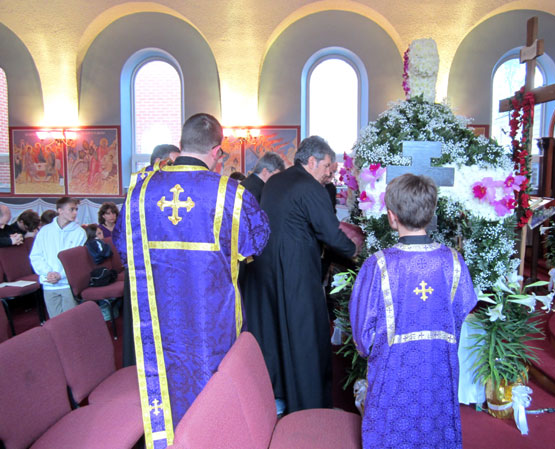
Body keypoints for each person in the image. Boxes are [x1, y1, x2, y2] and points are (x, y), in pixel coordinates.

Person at [113, 112, 270, 448]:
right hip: (210, 319)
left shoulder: (139, 193)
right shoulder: (230, 193)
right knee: (211, 380)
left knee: (166, 380)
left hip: (159, 320)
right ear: (217, 152)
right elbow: (256, 240)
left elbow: (121, 245)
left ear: (181, 144)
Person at [349, 174, 478, 449]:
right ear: (430, 213)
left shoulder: (379, 266)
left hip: (392, 372)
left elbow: (363, 337)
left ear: (392, 217)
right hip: (438, 369)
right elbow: (463, 309)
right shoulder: (453, 262)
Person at [242, 135, 358, 415]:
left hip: (266, 272)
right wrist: (353, 251)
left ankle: (279, 395)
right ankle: (310, 403)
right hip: (295, 272)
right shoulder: (310, 187)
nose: (330, 172)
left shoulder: (277, 181)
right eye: (328, 165)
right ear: (312, 161)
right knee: (305, 333)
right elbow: (330, 232)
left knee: (277, 331)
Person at [30, 197, 87, 319]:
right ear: (60, 211)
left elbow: (76, 260)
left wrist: (61, 274)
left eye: (76, 209)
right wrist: (47, 272)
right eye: (71, 209)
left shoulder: (79, 232)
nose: (75, 213)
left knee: (71, 319)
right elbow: (36, 255)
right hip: (49, 282)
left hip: (67, 283)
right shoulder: (45, 231)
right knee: (55, 320)